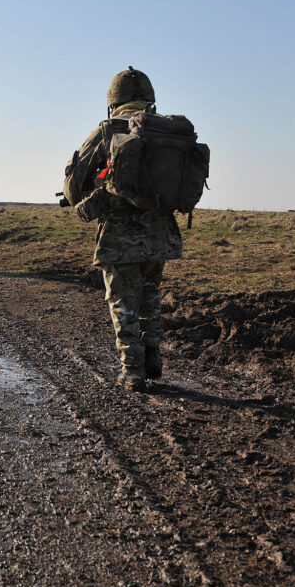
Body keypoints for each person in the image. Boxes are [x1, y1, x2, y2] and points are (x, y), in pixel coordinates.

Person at [63, 66, 183, 391]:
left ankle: (132, 372)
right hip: (161, 234)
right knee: (150, 294)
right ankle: (153, 353)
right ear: (150, 99)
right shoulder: (164, 132)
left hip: (120, 237)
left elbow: (74, 190)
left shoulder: (106, 131)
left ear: (113, 101)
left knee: (122, 302)